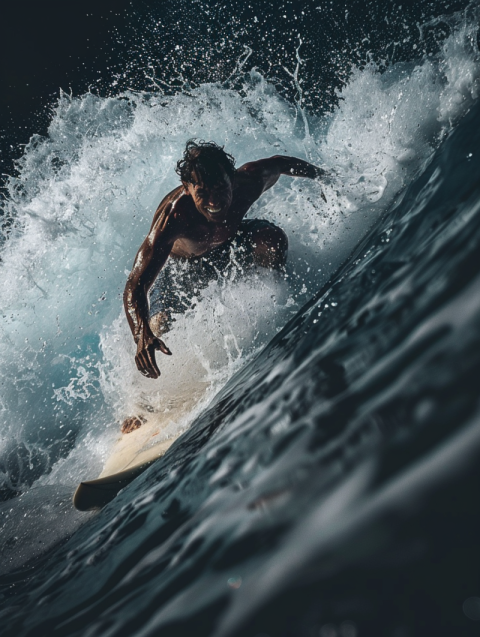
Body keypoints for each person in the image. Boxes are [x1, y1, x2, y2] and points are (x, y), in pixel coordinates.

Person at [124, 139, 326, 380]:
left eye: (220, 188)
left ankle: (284, 299)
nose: (214, 201)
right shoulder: (175, 216)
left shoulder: (250, 180)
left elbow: (281, 163)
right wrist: (141, 332)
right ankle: (143, 404)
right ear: (187, 188)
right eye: (203, 193)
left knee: (272, 239)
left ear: (232, 178)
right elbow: (135, 284)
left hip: (230, 245)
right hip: (182, 270)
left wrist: (326, 178)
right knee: (158, 326)